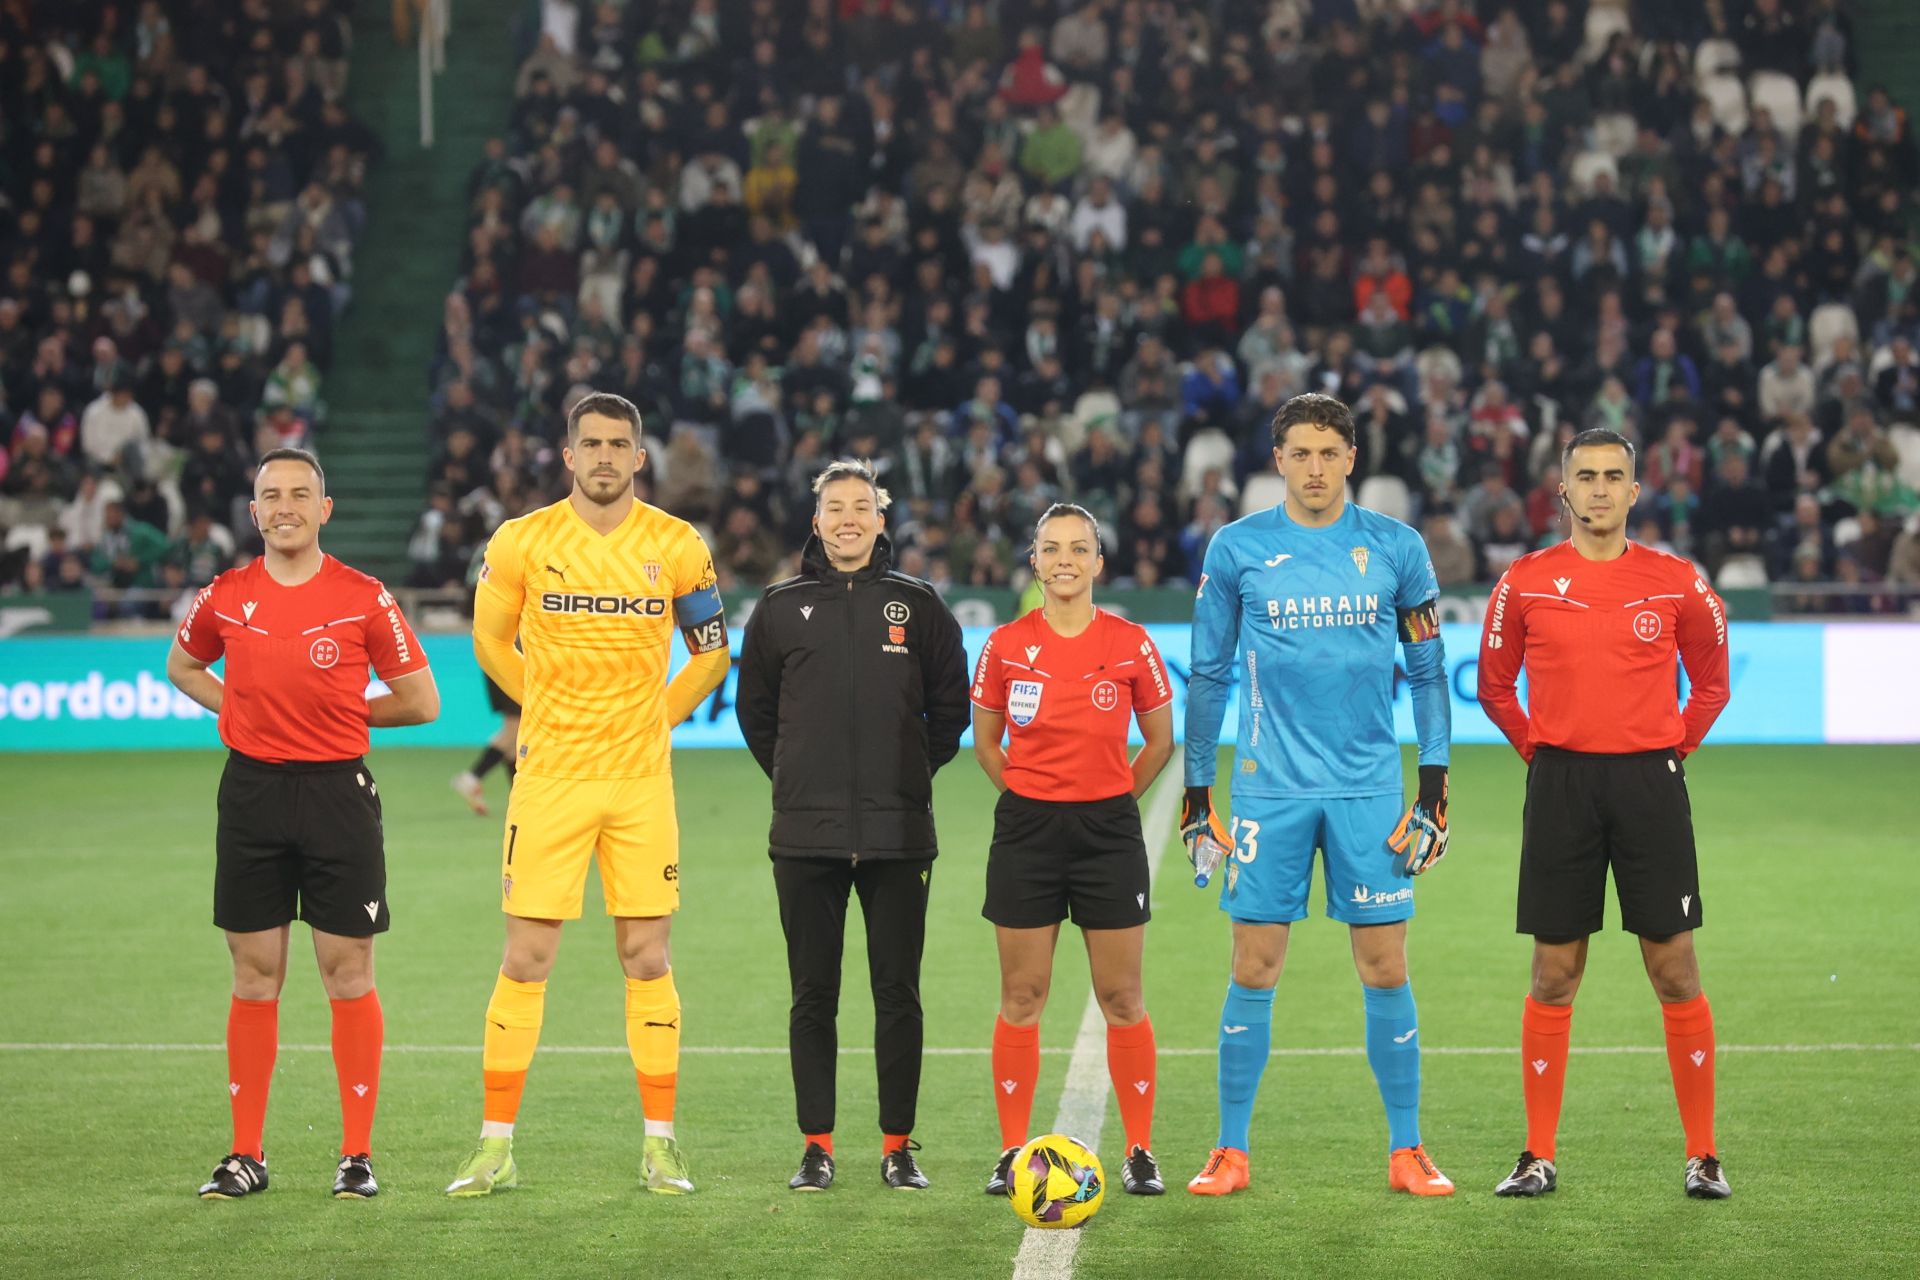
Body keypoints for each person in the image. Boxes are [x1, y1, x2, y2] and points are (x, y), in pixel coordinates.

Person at [445, 392, 731, 1198]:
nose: (605, 457)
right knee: (527, 958)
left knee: (648, 957)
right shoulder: (522, 541)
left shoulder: (677, 545)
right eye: (591, 444)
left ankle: (661, 1145)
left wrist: (655, 716)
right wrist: (541, 704)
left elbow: (710, 654)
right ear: (567, 456)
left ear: (640, 458)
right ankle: (494, 1145)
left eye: (619, 445)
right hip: (551, 778)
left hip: (640, 782)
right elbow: (488, 640)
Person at [1183, 392, 1455, 1198]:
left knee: (1384, 963)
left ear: (1351, 460)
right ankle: (1231, 1151)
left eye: (1328, 454)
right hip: (1270, 791)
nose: (1313, 469)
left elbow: (1430, 670)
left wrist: (1432, 788)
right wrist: (1200, 796)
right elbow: (1207, 675)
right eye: (1299, 454)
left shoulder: (1397, 548)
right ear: (1277, 461)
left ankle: (1407, 1151)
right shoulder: (1237, 550)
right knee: (1255, 963)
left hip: (1370, 788)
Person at [167, 447, 441, 1200]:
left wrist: (344, 714)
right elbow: (183, 667)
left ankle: (356, 1157)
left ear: (325, 509)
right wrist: (244, 710)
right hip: (251, 796)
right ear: (252, 513)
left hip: (336, 798)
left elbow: (422, 701)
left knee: (347, 973)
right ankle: (245, 1156)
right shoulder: (224, 594)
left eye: (299, 494)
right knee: (254, 976)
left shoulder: (363, 596)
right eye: (269, 495)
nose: (283, 506)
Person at [1477, 426, 1733, 1200]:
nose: (1597, 489)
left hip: (1650, 785)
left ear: (1633, 490)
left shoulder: (1676, 581)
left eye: (1611, 476)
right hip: (1560, 786)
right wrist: (1540, 752)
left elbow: (1713, 682)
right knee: (1554, 973)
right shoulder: (1523, 581)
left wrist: (1669, 751)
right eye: (1583, 476)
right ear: (1563, 490)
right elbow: (1494, 686)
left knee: (1675, 966)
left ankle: (1704, 1156)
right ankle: (1537, 1154)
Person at [734, 459, 971, 1192]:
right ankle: (817, 1145)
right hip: (805, 837)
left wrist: (902, 780)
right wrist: (806, 783)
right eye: (834, 507)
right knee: (814, 994)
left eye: (859, 507)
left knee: (898, 991)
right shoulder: (777, 608)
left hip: (901, 836)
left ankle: (898, 1145)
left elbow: (950, 711)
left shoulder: (920, 606)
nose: (846, 518)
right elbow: (757, 716)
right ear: (816, 521)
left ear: (879, 521)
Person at [971, 503, 1176, 1198]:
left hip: (1107, 836)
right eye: (1051, 548)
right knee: (1022, 994)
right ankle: (1010, 1151)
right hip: (1027, 833)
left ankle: (1141, 1149)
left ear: (1097, 562)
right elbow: (989, 742)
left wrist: (1113, 796)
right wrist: (1031, 795)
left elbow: (1159, 740)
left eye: (1078, 548)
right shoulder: (1003, 644)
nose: (1065, 559)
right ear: (1034, 560)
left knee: (1122, 994)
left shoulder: (1129, 642)